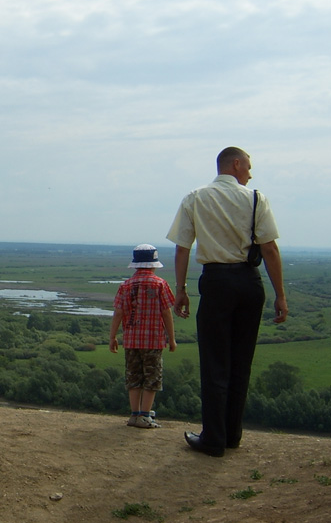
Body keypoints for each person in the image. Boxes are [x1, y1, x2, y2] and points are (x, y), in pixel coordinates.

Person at [167, 147, 288, 457]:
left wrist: (180, 289)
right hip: (250, 283)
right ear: (236, 164)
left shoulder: (195, 197)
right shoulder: (256, 199)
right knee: (240, 362)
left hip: (217, 282)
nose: (250, 173)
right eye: (248, 166)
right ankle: (232, 435)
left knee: (214, 363)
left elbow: (182, 248)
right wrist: (280, 295)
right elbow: (270, 249)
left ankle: (213, 439)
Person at [109, 244, 177, 428]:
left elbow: (118, 313)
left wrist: (113, 337)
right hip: (153, 340)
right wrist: (171, 338)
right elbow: (166, 313)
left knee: (134, 377)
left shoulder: (125, 285)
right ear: (153, 264)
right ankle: (145, 415)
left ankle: (134, 414)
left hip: (131, 340)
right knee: (152, 377)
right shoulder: (160, 284)